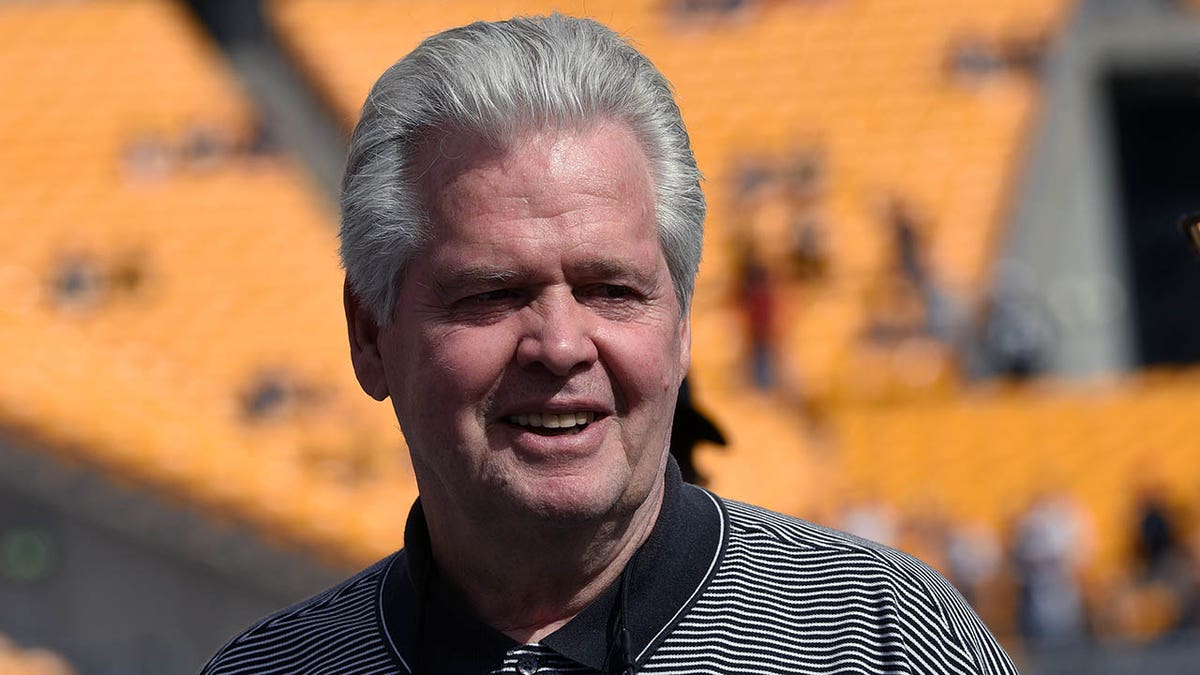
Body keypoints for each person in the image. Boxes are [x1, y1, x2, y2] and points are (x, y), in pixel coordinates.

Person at [201, 14, 1017, 674]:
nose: (560, 345)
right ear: (368, 333)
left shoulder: (880, 642)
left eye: (611, 291)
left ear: (684, 322)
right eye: (492, 294)